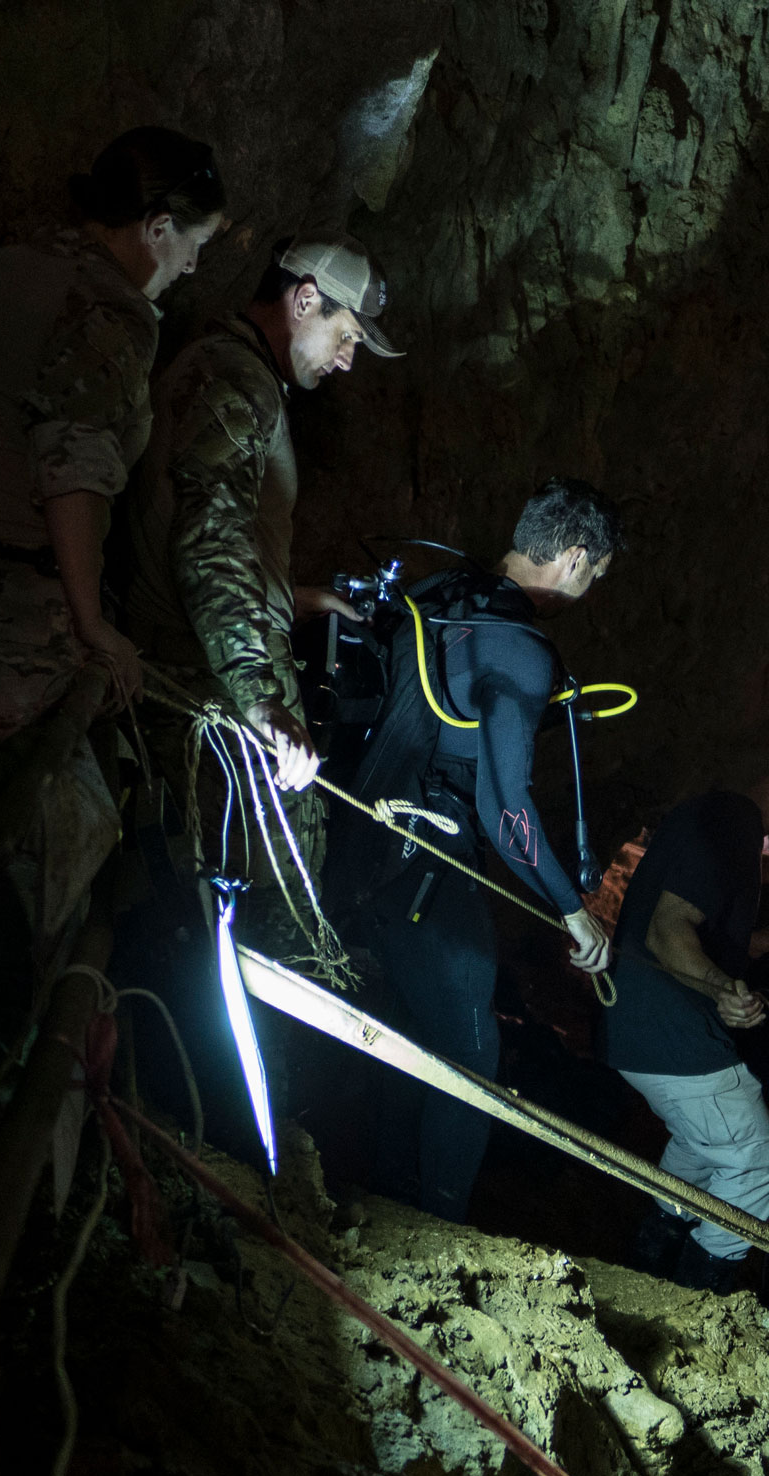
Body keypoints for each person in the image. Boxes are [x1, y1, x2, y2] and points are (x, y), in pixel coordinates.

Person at [0, 127, 226, 824]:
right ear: (158, 228)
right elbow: (76, 476)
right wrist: (94, 627)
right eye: (196, 244)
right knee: (50, 833)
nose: (191, 267)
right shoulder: (106, 313)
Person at [330, 480, 620, 1222]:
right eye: (596, 576)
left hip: (354, 849)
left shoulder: (435, 594)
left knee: (407, 1037)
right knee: (469, 1049)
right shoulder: (519, 647)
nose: (590, 591)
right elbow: (505, 809)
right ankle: (441, 1228)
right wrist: (571, 911)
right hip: (429, 867)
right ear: (578, 558)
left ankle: (387, 1206)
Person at [123, 233, 400, 939]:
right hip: (202, 688)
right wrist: (261, 702)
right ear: (305, 299)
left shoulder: (237, 376)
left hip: (205, 669)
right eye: (346, 335)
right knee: (253, 901)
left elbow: (214, 528)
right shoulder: (233, 380)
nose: (349, 357)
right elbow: (207, 541)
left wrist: (299, 595)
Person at [603, 753, 769, 1293]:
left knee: (702, 1146)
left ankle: (646, 1267)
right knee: (758, 1160)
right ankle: (698, 1296)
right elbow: (668, 933)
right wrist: (724, 990)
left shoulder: (714, 812)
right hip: (668, 1034)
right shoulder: (733, 825)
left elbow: (684, 916)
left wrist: (754, 943)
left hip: (637, 1025)